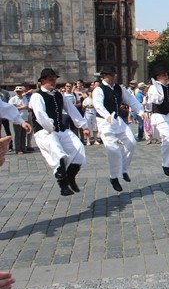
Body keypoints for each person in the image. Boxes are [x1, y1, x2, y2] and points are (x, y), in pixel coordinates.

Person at [29, 68, 88, 196]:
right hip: (44, 131)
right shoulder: (37, 96)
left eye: (54, 79)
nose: (53, 82)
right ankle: (63, 184)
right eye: (50, 80)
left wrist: (84, 126)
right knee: (58, 153)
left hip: (60, 129)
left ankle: (71, 176)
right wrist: (50, 127)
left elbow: (71, 109)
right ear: (43, 81)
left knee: (79, 148)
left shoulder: (59, 95)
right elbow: (40, 114)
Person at [93, 67, 145, 192]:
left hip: (118, 120)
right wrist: (106, 116)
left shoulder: (119, 88)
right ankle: (114, 177)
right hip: (104, 122)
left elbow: (131, 100)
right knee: (114, 150)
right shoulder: (99, 90)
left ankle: (123, 170)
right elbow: (98, 105)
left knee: (131, 142)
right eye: (110, 75)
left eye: (113, 74)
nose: (112, 77)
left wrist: (140, 111)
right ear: (104, 76)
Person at [8, 86, 29, 154]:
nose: (18, 92)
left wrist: (26, 107)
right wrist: (22, 107)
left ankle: (23, 148)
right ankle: (18, 149)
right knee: (18, 135)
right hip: (17, 120)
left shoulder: (25, 98)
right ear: (15, 92)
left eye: (20, 91)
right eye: (17, 91)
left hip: (25, 118)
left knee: (23, 135)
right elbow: (11, 108)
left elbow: (27, 106)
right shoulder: (13, 99)